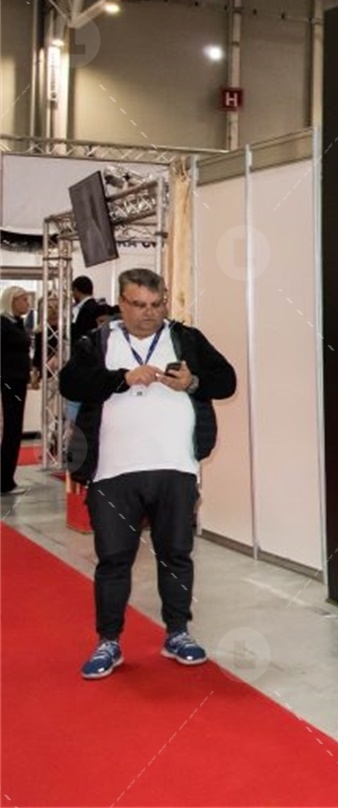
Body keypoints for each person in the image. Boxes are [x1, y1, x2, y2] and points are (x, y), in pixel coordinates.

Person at [60, 268, 236, 680]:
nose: (149, 313)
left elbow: (226, 381)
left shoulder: (186, 338)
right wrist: (120, 379)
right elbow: (71, 383)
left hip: (175, 467)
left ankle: (178, 632)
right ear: (121, 303)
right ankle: (108, 641)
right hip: (113, 471)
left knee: (176, 554)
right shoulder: (98, 341)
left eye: (156, 305)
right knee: (113, 559)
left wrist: (193, 382)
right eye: (139, 305)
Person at [1, 286, 33, 496]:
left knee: (15, 428)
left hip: (18, 380)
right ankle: (4, 480)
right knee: (12, 428)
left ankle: (6, 477)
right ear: (11, 301)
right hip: (10, 380)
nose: (26, 304)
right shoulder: (3, 325)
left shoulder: (17, 323)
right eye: (23, 299)